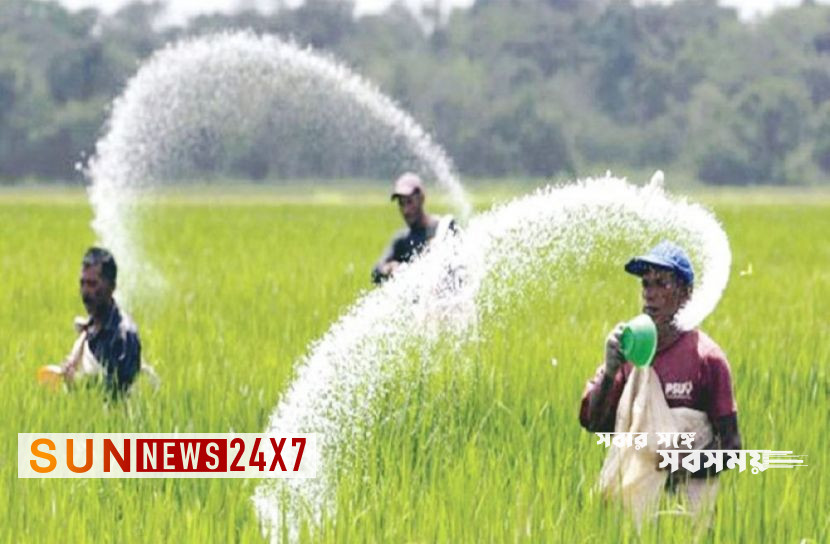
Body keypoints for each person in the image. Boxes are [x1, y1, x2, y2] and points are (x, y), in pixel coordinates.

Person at [579, 241, 741, 502]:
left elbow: (731, 448)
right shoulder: (629, 352)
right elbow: (596, 424)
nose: (650, 294)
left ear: (686, 294)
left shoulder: (707, 359)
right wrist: (609, 372)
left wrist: (682, 464)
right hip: (631, 508)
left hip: (687, 508)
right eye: (646, 284)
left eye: (662, 284)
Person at [60, 247, 142, 397]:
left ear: (112, 287)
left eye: (92, 284)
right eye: (82, 283)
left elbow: (120, 394)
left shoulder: (124, 336)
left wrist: (78, 384)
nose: (85, 292)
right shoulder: (88, 329)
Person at [371, 172, 456, 284]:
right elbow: (376, 271)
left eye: (410, 202)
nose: (406, 210)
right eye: (401, 204)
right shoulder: (402, 241)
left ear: (421, 199)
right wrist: (389, 268)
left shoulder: (444, 228)